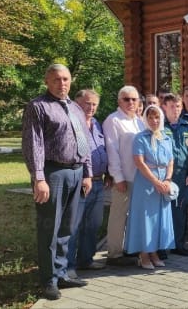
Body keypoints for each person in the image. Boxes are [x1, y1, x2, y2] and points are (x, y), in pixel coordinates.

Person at [22, 64, 91, 300]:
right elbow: (33, 145)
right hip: (52, 174)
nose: (62, 83)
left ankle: (62, 273)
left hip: (76, 172)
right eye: (56, 80)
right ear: (47, 81)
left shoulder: (76, 108)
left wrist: (88, 173)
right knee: (49, 229)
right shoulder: (38, 107)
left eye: (66, 79)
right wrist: (39, 178)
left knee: (67, 228)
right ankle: (48, 280)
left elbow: (85, 140)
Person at [124, 105, 175, 269]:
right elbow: (139, 162)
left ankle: (154, 252)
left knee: (159, 219)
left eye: (157, 117)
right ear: (146, 119)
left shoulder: (166, 137)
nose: (154, 120)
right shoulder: (140, 137)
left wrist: (167, 180)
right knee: (146, 219)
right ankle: (143, 254)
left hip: (163, 183)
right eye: (151, 117)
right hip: (146, 183)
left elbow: (171, 161)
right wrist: (155, 181)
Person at [67, 90, 110, 279]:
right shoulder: (71, 123)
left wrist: (108, 172)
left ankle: (86, 260)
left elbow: (104, 149)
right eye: (87, 103)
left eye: (94, 104)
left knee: (92, 225)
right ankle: (68, 266)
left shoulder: (97, 124)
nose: (90, 107)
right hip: (80, 182)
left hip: (99, 182)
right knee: (73, 226)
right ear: (77, 104)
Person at [102, 85, 145, 266]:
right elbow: (112, 151)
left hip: (141, 178)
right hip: (124, 178)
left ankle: (130, 248)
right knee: (119, 216)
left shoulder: (140, 121)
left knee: (135, 216)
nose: (130, 102)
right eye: (126, 99)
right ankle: (114, 253)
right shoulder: (113, 120)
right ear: (119, 101)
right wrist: (117, 177)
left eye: (134, 99)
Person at [163, 93, 188, 256]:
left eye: (178, 106)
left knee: (180, 211)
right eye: (171, 106)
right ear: (164, 108)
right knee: (163, 212)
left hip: (183, 176)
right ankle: (162, 247)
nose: (175, 109)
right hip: (165, 176)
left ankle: (178, 244)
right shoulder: (160, 127)